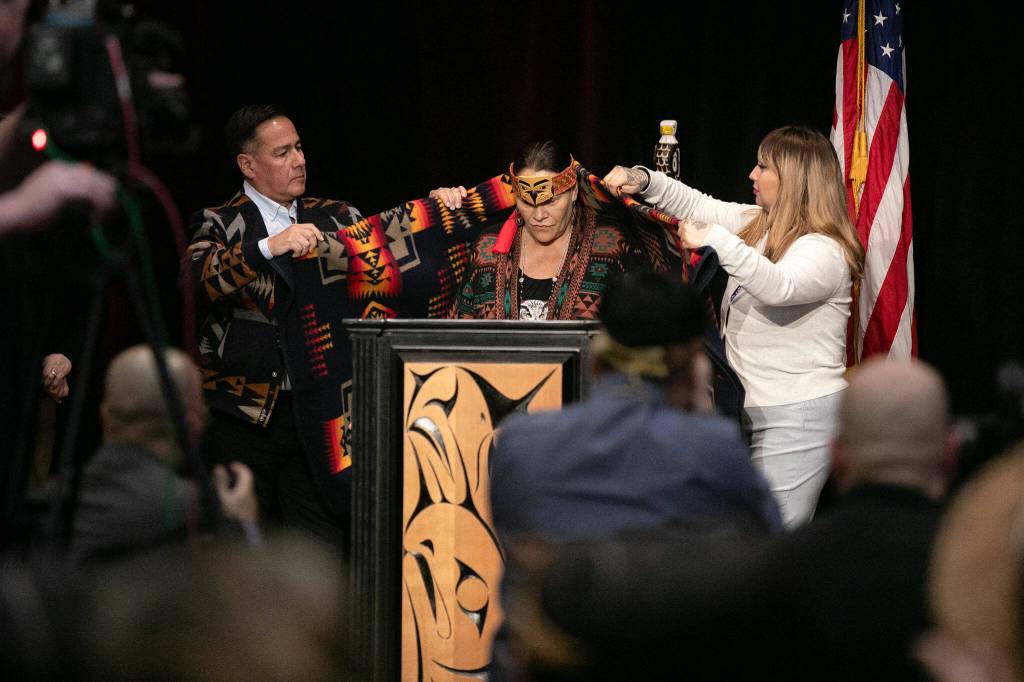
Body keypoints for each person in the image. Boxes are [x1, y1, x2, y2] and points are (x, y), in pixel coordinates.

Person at [604, 125, 865, 526]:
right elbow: (694, 203)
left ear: (794, 179)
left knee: (771, 535)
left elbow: (778, 286)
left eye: (763, 167)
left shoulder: (826, 249)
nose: (752, 175)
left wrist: (717, 241)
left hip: (796, 418)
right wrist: (642, 178)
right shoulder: (757, 223)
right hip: (744, 408)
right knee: (737, 531)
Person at [489, 270, 782, 545]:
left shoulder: (520, 443)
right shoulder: (713, 447)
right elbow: (764, 540)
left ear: (597, 359)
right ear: (691, 367)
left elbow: (514, 550)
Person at [186, 104, 362, 549]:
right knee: (240, 548)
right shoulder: (220, 222)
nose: (299, 160)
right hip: (242, 420)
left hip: (317, 412)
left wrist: (441, 210)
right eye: (283, 152)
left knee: (320, 551)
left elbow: (391, 261)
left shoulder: (337, 216)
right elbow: (197, 280)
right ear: (249, 165)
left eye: (299, 147)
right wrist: (268, 246)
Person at [71, 345, 259, 563]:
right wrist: (246, 527)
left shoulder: (53, 500)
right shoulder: (194, 514)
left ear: (105, 416)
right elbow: (244, 592)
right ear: (193, 423)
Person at [438, 141, 647, 320]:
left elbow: (642, 333)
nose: (538, 216)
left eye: (551, 201)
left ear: (573, 192)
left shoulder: (613, 245)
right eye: (526, 202)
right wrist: (435, 216)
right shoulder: (487, 247)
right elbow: (458, 335)